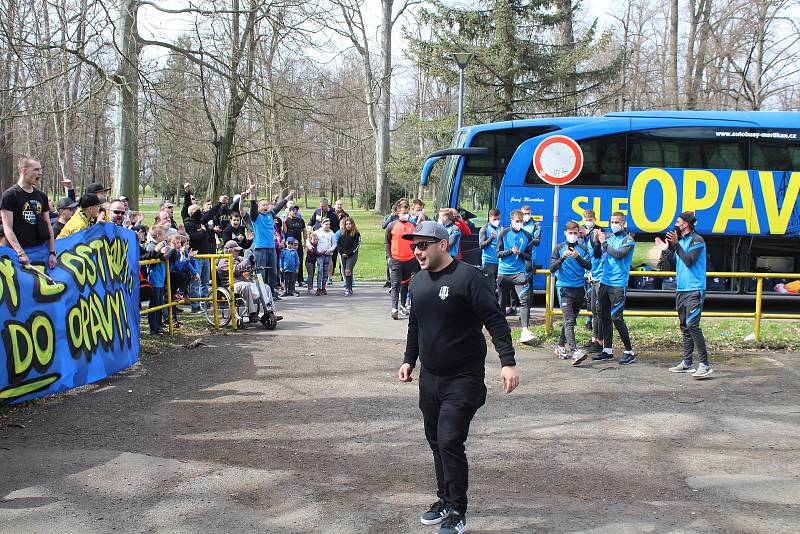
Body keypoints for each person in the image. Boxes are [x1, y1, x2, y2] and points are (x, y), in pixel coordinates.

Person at [398, 221, 519, 534]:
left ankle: (458, 510)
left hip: (463, 377)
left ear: (443, 244)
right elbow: (416, 326)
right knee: (436, 441)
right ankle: (444, 499)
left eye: (423, 245)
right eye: (414, 246)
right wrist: (409, 360)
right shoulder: (418, 281)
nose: (417, 251)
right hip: (430, 377)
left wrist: (507, 362)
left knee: (450, 438)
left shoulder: (468, 277)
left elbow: (495, 320)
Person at [657, 211, 713, 379]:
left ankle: (704, 364)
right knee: (684, 326)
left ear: (686, 224)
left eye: (679, 221)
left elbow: (689, 260)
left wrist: (675, 245)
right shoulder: (681, 241)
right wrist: (666, 250)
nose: (676, 223)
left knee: (692, 324)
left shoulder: (697, 240)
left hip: (695, 289)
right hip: (681, 289)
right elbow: (672, 262)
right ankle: (687, 362)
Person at [594, 211, 637, 364]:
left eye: (617, 222)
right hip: (605, 282)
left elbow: (618, 255)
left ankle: (629, 351)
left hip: (618, 284)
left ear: (623, 223)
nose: (614, 224)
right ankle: (607, 349)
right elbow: (598, 255)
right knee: (603, 315)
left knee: (616, 318)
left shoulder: (629, 240)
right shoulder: (610, 238)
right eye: (612, 221)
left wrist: (604, 242)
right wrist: (597, 243)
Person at [0, 157, 57, 268]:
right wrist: (20, 253)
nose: (40, 173)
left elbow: (48, 224)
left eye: (40, 169)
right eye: (36, 170)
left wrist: (52, 252)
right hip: (20, 254)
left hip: (42, 250)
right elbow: (7, 228)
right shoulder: (10, 195)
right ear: (23, 171)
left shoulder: (42, 196)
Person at [550, 221, 593, 365]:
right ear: (565, 233)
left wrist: (577, 257)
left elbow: (589, 265)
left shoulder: (583, 248)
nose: (573, 236)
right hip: (564, 288)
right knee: (569, 321)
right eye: (570, 233)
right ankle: (575, 351)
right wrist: (563, 258)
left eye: (575, 233)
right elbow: (551, 268)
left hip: (579, 288)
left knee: (571, 320)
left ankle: (560, 345)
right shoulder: (558, 248)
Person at [497, 209, 536, 344]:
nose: (519, 223)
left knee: (525, 300)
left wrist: (520, 253)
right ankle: (501, 330)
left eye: (521, 221)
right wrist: (510, 251)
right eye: (517, 221)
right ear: (511, 221)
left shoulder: (527, 236)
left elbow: (529, 256)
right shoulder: (504, 233)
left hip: (519, 273)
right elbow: (498, 253)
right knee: (502, 302)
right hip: (503, 273)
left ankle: (525, 330)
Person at [217, 240, 279, 325]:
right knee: (245, 285)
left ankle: (269, 312)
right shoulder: (223, 261)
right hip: (232, 284)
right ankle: (252, 313)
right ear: (229, 250)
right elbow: (235, 270)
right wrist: (247, 261)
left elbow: (247, 264)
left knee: (265, 287)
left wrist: (252, 261)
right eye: (236, 250)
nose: (238, 252)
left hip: (245, 282)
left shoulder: (239, 258)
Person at [182, 183, 221, 313]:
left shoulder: (201, 222)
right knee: (196, 282)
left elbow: (210, 214)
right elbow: (194, 237)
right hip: (196, 257)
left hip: (206, 256)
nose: (200, 212)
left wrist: (220, 204)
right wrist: (204, 232)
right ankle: (195, 306)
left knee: (205, 282)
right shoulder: (188, 223)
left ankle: (204, 302)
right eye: (197, 210)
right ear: (192, 213)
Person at [249, 184, 293, 298]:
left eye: (267, 205)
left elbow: (280, 205)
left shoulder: (271, 214)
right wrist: (252, 194)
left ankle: (271, 293)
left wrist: (289, 196)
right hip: (260, 249)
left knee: (273, 272)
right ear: (259, 207)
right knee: (262, 273)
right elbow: (252, 206)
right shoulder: (255, 216)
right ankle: (261, 295)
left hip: (272, 248)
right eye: (263, 205)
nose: (265, 206)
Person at [385, 201, 418, 319]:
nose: (404, 214)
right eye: (402, 212)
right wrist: (389, 257)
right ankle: (394, 308)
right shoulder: (392, 225)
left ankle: (403, 305)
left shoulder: (413, 225)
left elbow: (417, 241)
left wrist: (416, 255)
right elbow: (387, 242)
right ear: (398, 212)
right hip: (396, 260)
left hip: (410, 260)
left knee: (406, 284)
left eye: (406, 212)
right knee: (395, 284)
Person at [581, 209, 605, 354]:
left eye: (590, 218)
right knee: (594, 310)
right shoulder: (587, 234)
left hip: (601, 276)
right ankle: (594, 339)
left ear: (595, 219)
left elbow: (599, 255)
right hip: (593, 275)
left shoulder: (599, 233)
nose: (588, 221)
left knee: (599, 310)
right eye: (586, 218)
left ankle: (601, 341)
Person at [146, 225, 177, 335]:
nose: (166, 236)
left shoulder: (163, 245)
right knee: (154, 304)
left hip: (161, 278)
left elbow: (171, 257)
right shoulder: (151, 247)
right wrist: (169, 249)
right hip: (154, 279)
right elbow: (161, 258)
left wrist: (172, 248)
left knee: (159, 303)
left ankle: (158, 325)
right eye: (164, 234)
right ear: (158, 236)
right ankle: (153, 328)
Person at [478, 208, 501, 293]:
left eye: (498, 219)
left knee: (501, 286)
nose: (497, 221)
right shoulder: (484, 229)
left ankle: (498, 305)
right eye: (494, 219)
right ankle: (489, 304)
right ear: (489, 218)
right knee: (490, 286)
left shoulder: (500, 228)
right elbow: (481, 245)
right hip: (488, 262)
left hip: (500, 261)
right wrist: (491, 238)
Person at [337, 217, 361, 296]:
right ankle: (349, 287)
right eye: (346, 224)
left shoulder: (356, 234)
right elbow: (339, 244)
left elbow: (356, 245)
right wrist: (342, 252)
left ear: (352, 224)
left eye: (349, 224)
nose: (348, 225)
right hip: (343, 254)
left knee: (348, 270)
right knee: (346, 271)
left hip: (352, 255)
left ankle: (347, 289)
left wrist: (349, 253)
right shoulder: (342, 233)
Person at [313, 218, 336, 295]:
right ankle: (318, 288)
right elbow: (310, 239)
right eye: (326, 224)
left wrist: (330, 249)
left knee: (325, 271)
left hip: (328, 254)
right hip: (320, 255)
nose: (328, 226)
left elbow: (334, 244)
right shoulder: (317, 232)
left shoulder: (331, 233)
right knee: (320, 270)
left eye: (329, 224)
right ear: (321, 224)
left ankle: (323, 287)